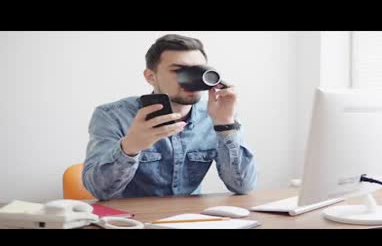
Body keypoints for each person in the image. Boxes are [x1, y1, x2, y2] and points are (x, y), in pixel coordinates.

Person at [82, 34, 257, 200]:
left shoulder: (217, 114)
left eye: (198, 70)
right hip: (132, 220)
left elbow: (243, 186)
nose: (193, 78)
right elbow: (99, 191)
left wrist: (225, 125)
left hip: (189, 219)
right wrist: (130, 147)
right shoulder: (113, 116)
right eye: (179, 70)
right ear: (151, 77)